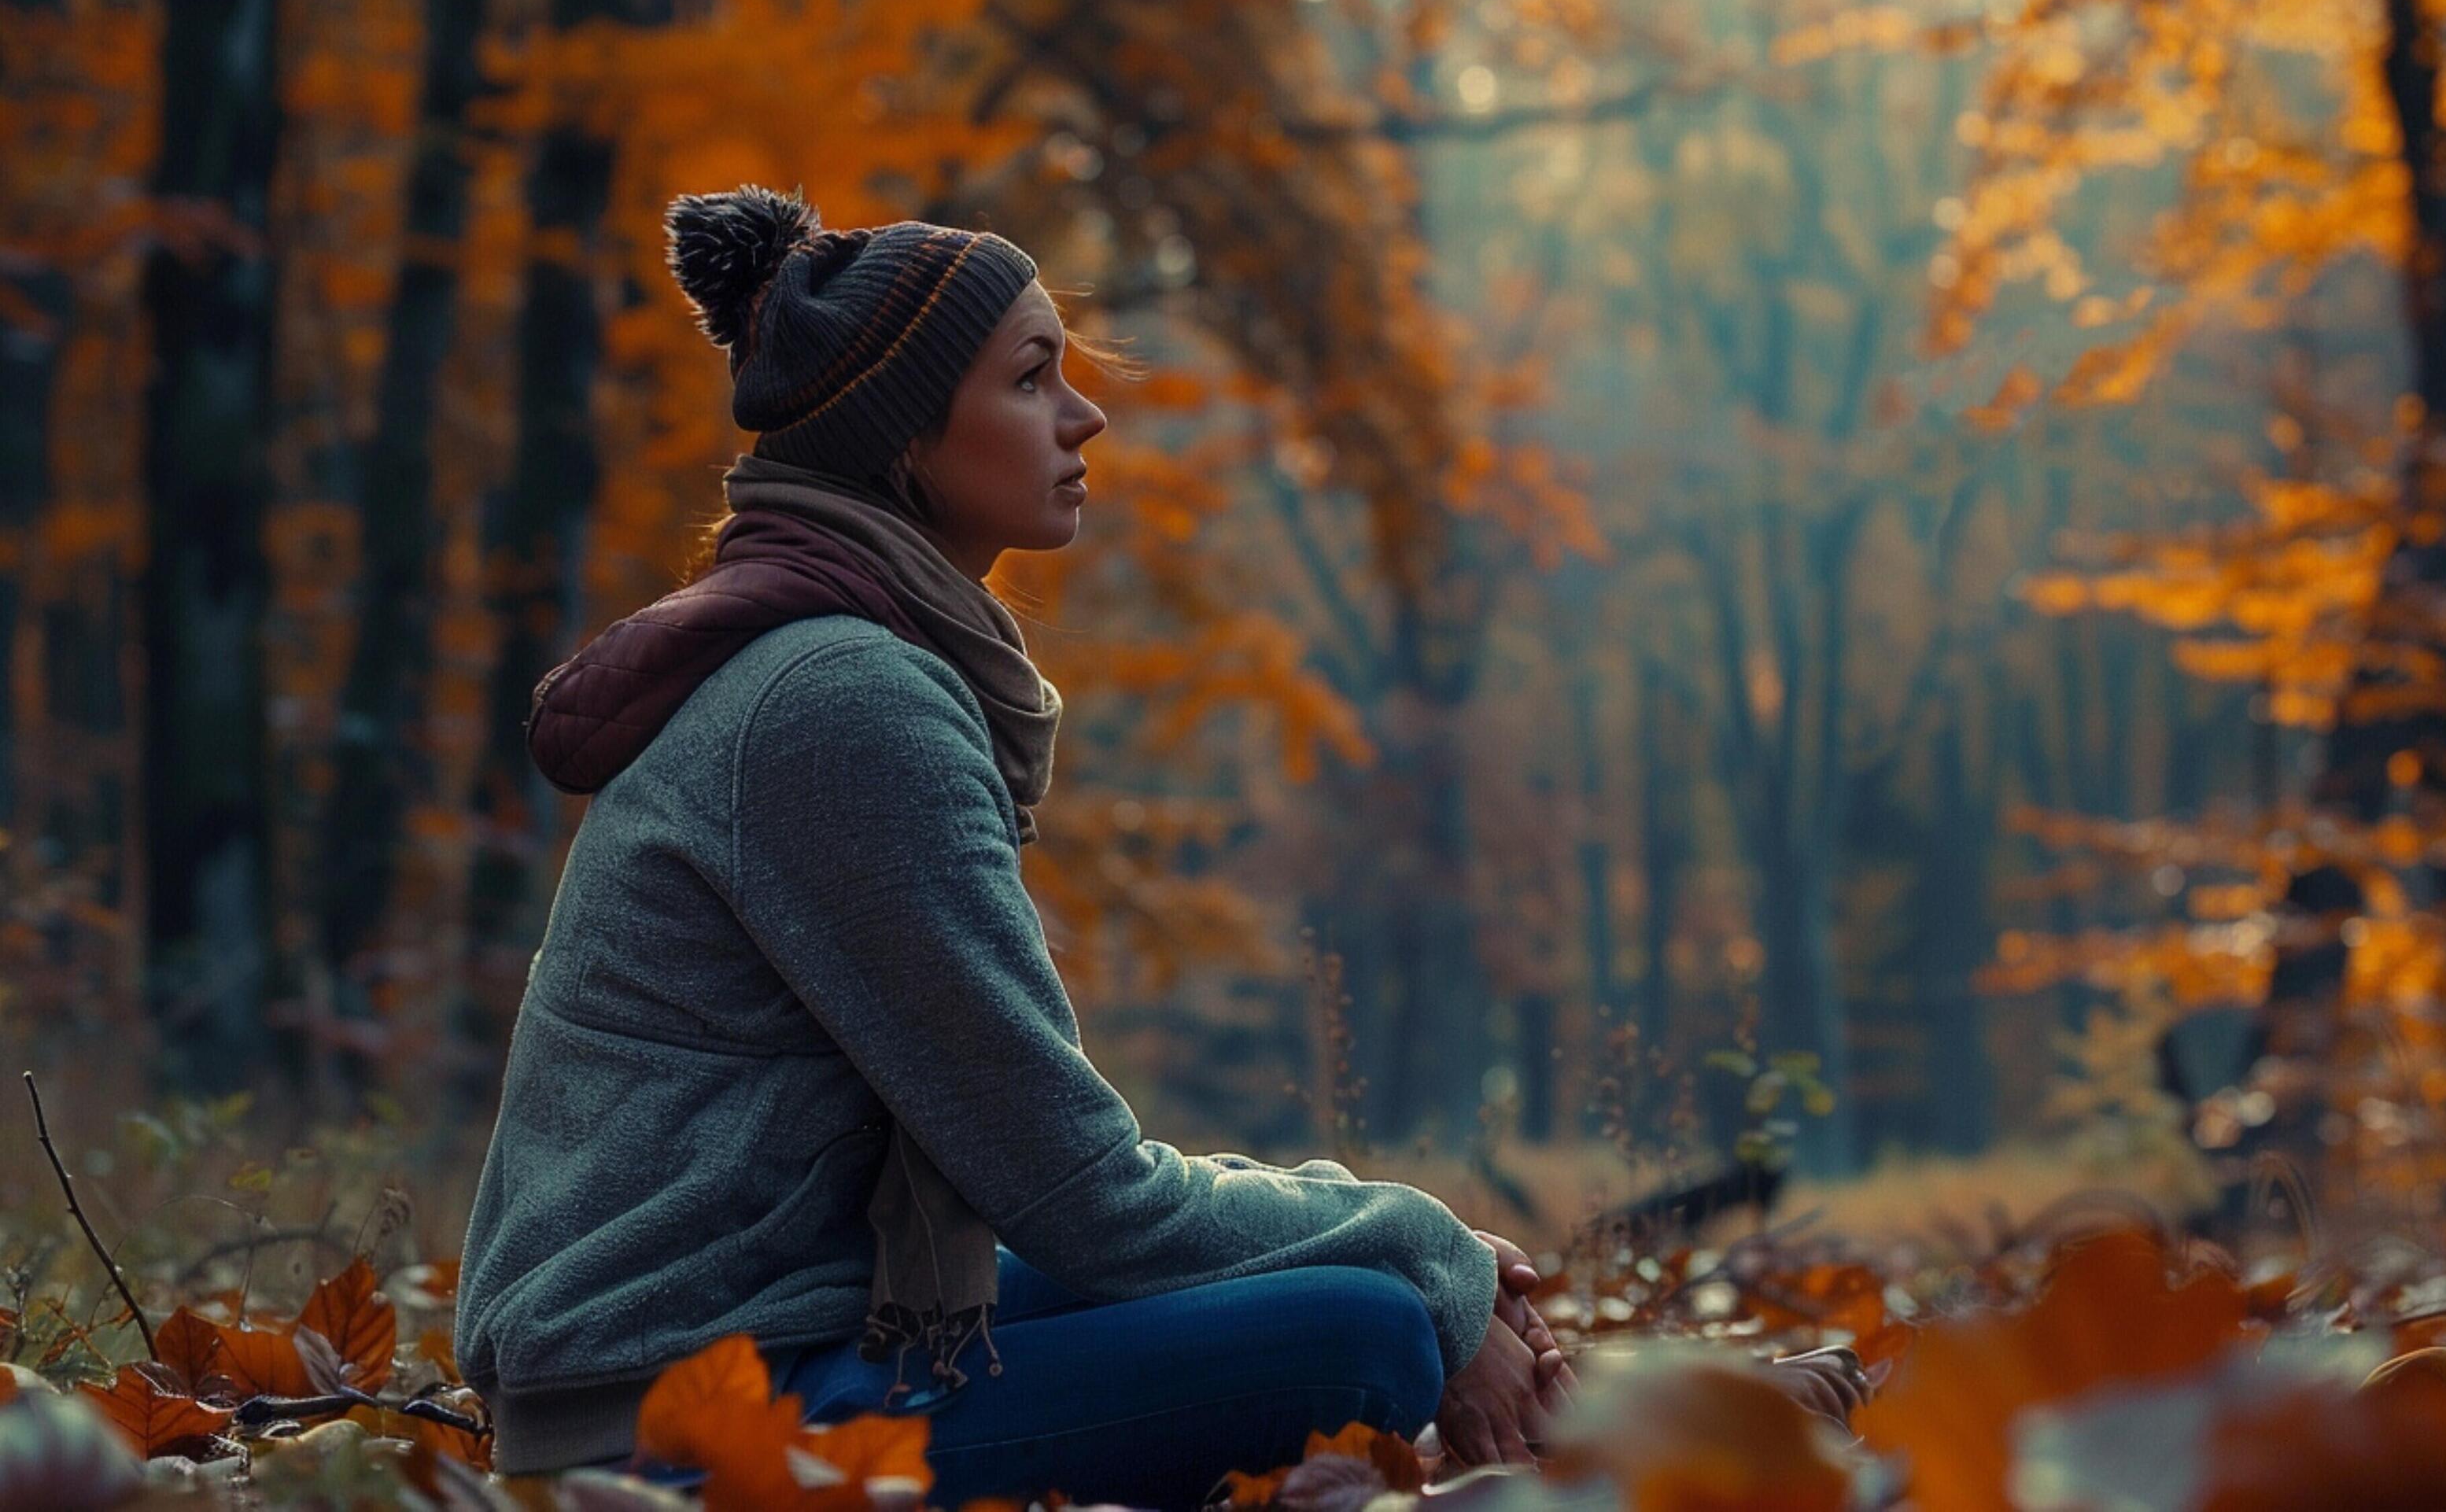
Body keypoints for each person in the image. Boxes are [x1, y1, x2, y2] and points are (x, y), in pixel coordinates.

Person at [451, 184, 1860, 1509]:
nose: (1084, 417)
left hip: (778, 1317)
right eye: (1028, 377)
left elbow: (1056, 1169)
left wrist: (1391, 1229)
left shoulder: (839, 666)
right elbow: (1089, 1203)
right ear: (904, 437)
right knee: (1361, 1330)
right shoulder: (841, 702)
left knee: (1375, 1280)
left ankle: (1597, 1418)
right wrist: (1418, 1248)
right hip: (683, 1411)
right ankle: (1582, 1444)